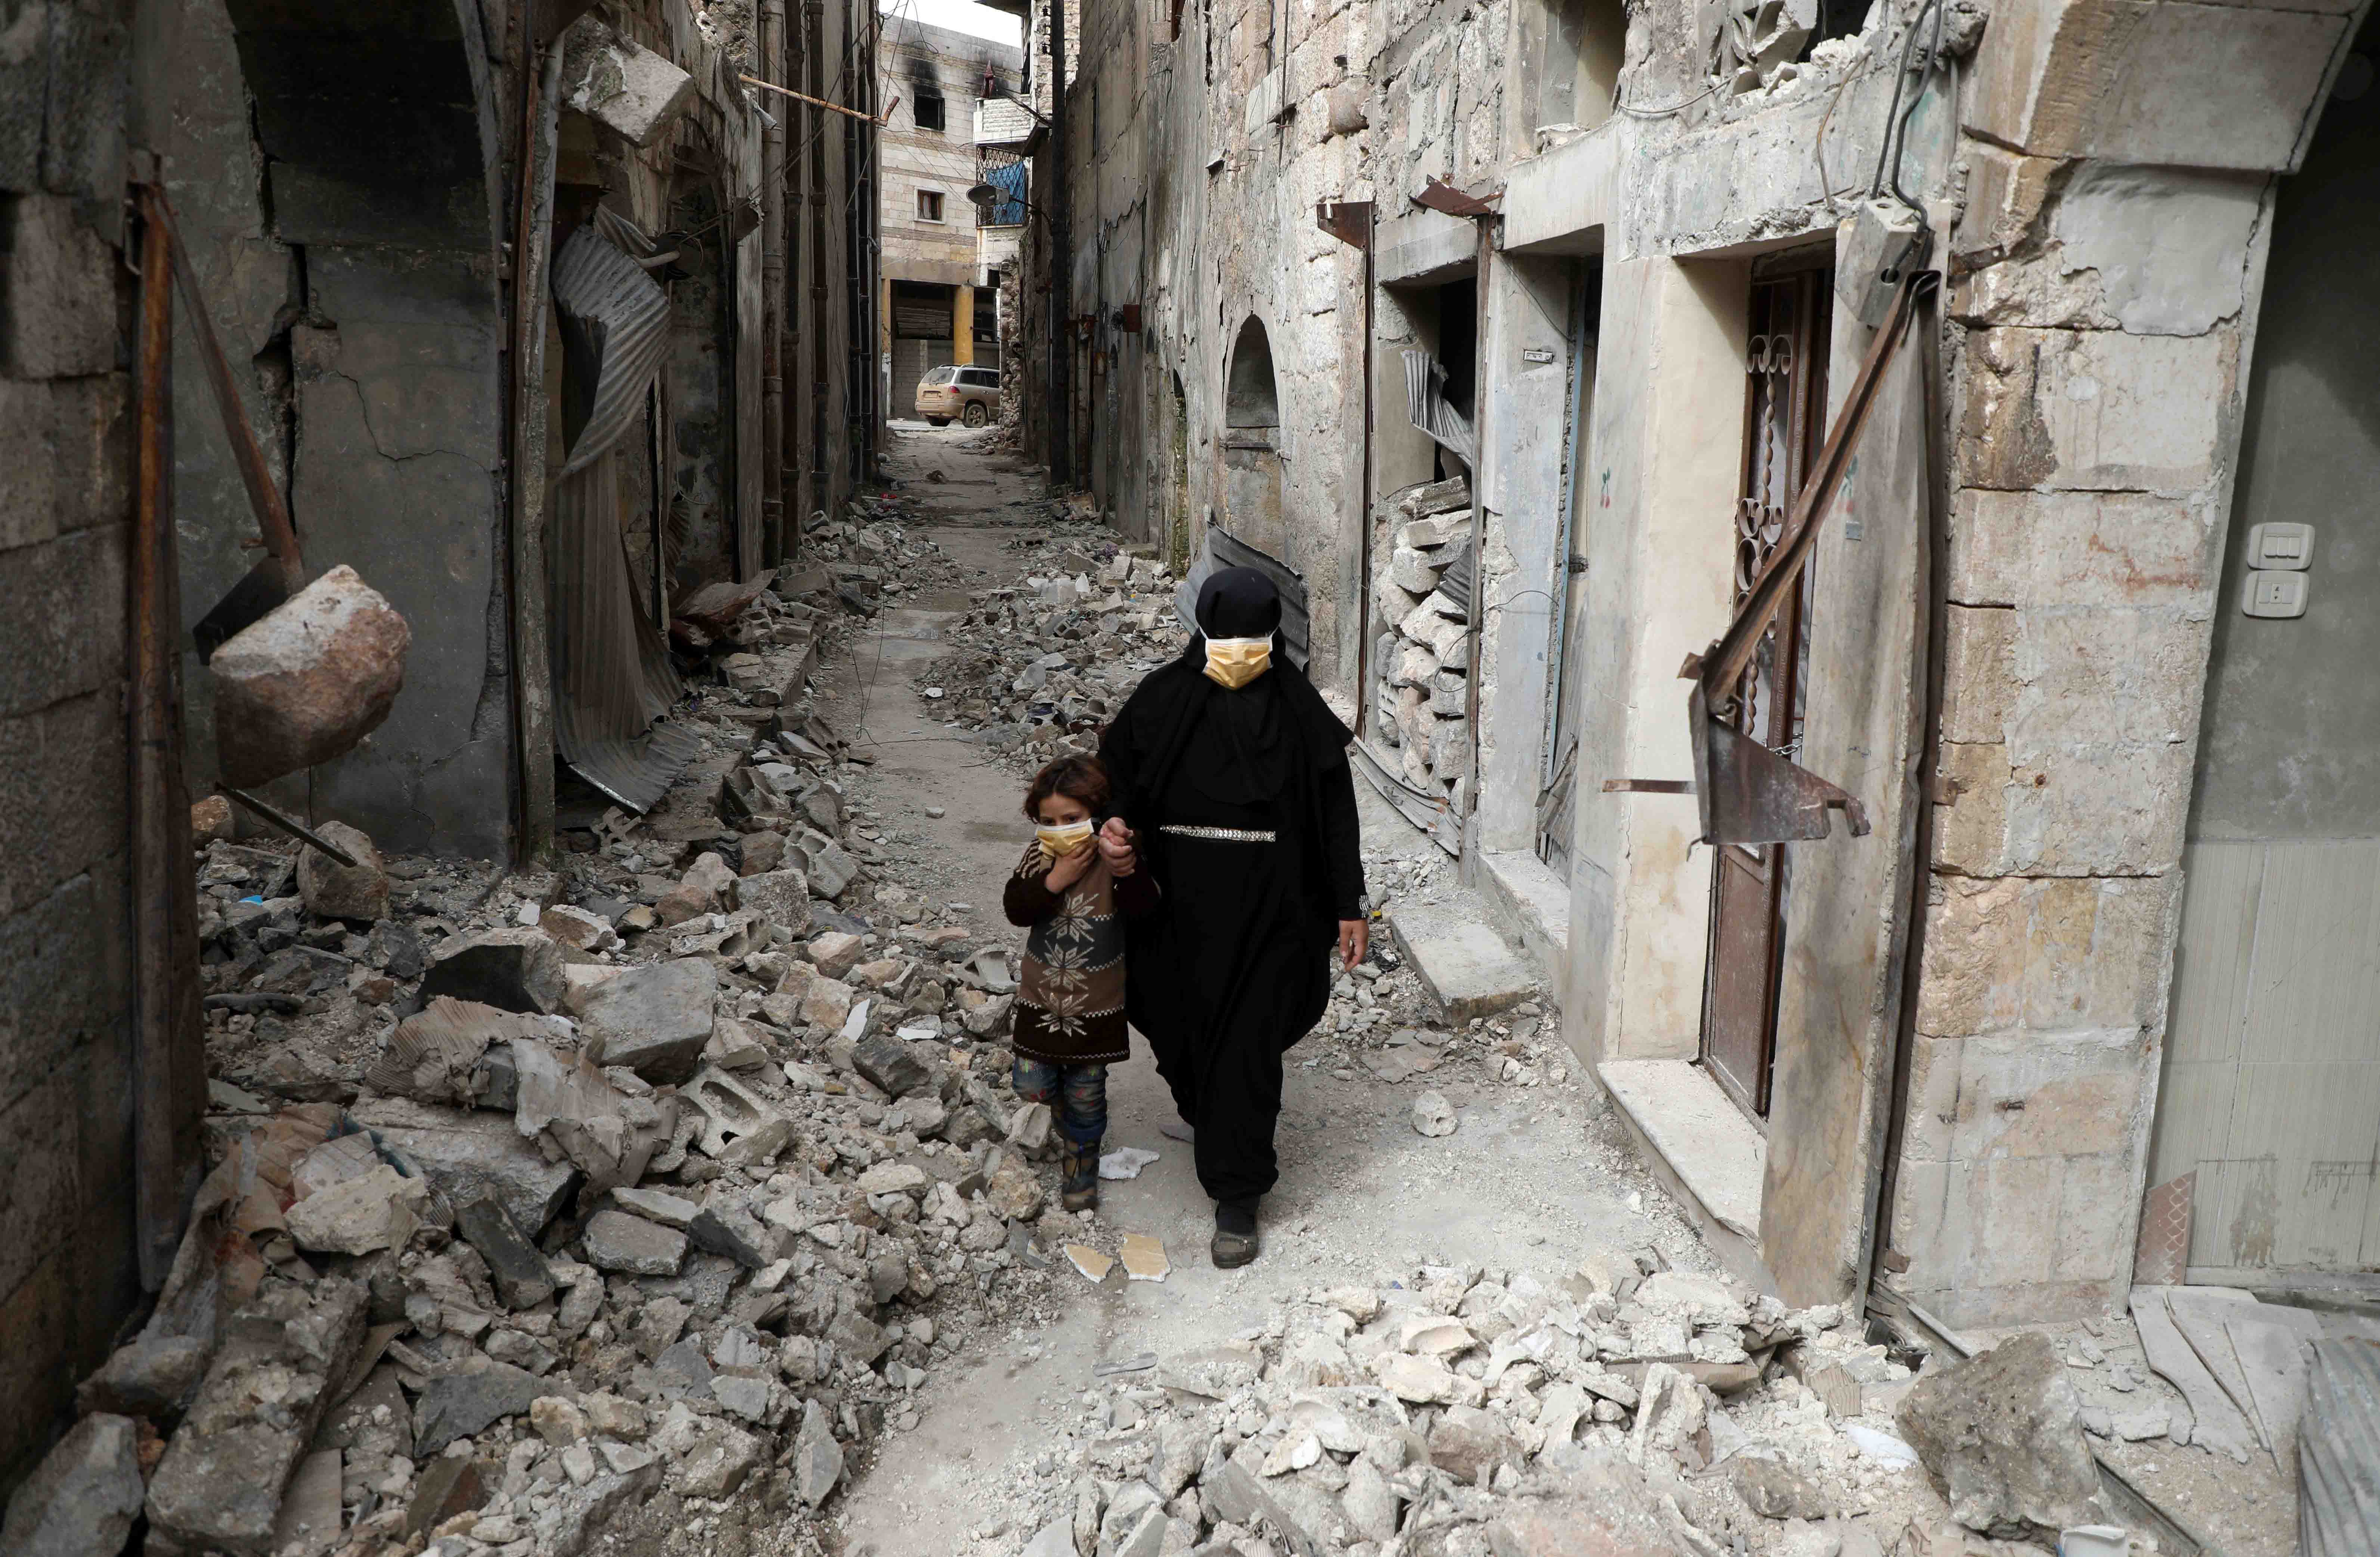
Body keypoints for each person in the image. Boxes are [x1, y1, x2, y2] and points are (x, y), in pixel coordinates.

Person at [1097, 567, 1367, 1267]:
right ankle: (1206, 1111)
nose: (1241, 651)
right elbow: (1115, 780)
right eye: (1229, 637)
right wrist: (1113, 827)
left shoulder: (1298, 710)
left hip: (1273, 910)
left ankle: (1238, 1196)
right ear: (1204, 631)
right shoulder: (1164, 698)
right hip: (1175, 908)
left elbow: (1336, 815)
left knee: (1247, 1047)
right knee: (1169, 1018)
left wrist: (1349, 906)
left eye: (1254, 638)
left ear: (1274, 636)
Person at [1003, 754, 1161, 1211]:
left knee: (1087, 1095)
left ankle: (1081, 1163)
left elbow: (1146, 907)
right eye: (1049, 821)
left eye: (1071, 818)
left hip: (1097, 1004)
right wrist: (1056, 879)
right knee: (1031, 1086)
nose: (1060, 829)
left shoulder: (1116, 855)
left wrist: (1125, 866)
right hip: (1041, 999)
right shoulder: (1040, 855)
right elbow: (1016, 908)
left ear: (1095, 811)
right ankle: (1066, 1121)